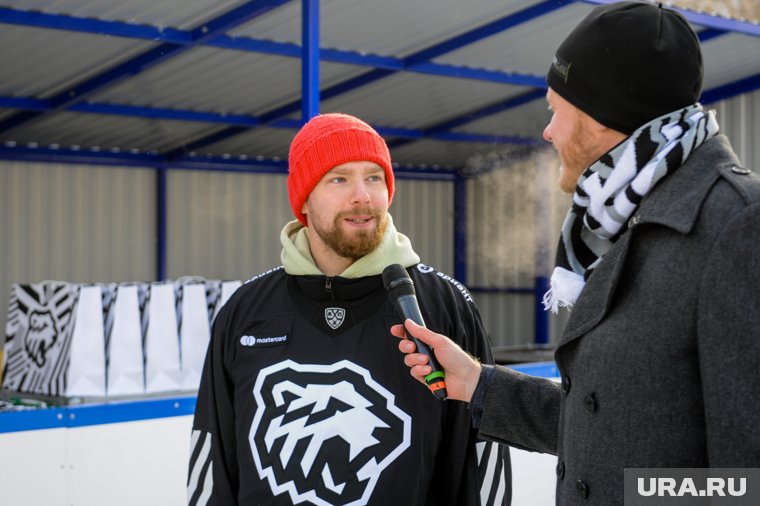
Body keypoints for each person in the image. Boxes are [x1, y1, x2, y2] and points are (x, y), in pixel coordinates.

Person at [392, 1, 760, 505]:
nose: (548, 131)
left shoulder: (740, 227)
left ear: (601, 115)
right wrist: (478, 384)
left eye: (554, 109)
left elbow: (745, 485)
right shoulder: (618, 223)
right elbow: (606, 422)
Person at [187, 112, 511, 505]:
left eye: (374, 177)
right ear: (304, 197)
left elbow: (479, 457)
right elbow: (213, 457)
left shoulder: (443, 304)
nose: (363, 195)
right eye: (339, 178)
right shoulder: (246, 312)